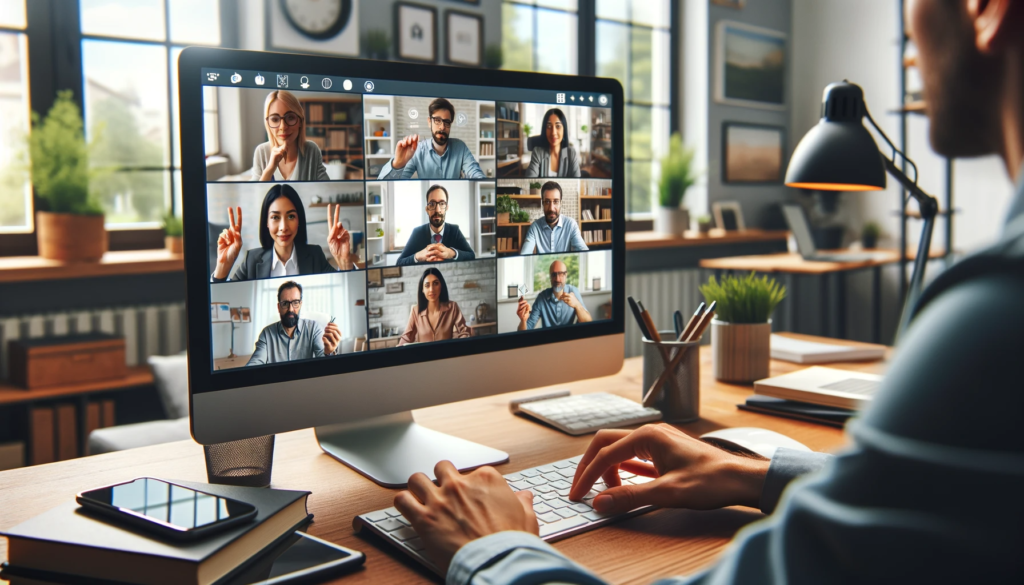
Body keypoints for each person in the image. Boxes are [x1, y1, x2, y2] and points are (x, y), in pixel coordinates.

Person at [393, 1, 1024, 582]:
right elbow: (946, 496)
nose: (910, 38)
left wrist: (495, 547)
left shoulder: (995, 318)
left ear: (987, 10)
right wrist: (757, 473)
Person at [211, 184, 352, 282]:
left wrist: (345, 262)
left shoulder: (315, 255)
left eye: (291, 216)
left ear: (299, 220)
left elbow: (345, 292)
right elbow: (221, 302)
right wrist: (223, 266)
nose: (283, 227)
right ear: (266, 222)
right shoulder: (251, 260)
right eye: (275, 217)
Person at [377, 98, 486, 180]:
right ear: (429, 122)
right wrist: (397, 165)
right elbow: (387, 184)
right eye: (437, 120)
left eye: (447, 122)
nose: (442, 127)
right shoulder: (417, 150)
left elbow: (475, 173)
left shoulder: (460, 147)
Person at [246, 281, 340, 365]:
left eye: (295, 302)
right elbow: (255, 362)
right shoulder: (267, 334)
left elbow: (324, 362)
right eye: (285, 303)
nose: (290, 309)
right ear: (279, 307)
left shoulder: (314, 328)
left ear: (300, 305)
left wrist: (329, 353)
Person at [252, 90, 329, 181]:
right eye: (275, 119)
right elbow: (256, 193)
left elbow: (327, 189)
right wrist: (270, 168)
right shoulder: (261, 152)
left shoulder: (311, 150)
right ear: (268, 124)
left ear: (300, 121)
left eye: (290, 118)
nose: (283, 127)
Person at [395, 184, 476, 266]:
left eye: (442, 203)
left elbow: (471, 255)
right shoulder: (417, 232)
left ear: (446, 208)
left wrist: (451, 253)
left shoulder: (454, 230)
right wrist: (418, 256)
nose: (437, 210)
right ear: (427, 209)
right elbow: (399, 262)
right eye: (432, 204)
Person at [398, 268, 470, 345]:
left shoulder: (452, 307)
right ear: (422, 289)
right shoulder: (415, 311)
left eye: (435, 283)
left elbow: (465, 332)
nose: (431, 289)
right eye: (427, 285)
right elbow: (406, 338)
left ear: (441, 286)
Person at [516, 260, 592, 331]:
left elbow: (588, 322)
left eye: (561, 274)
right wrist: (523, 320)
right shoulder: (541, 297)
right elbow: (525, 331)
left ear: (566, 275)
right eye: (554, 275)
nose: (557, 279)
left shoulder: (573, 291)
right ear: (550, 277)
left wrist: (577, 305)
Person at [520, 181, 589, 254]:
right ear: (542, 203)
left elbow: (584, 252)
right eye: (547, 202)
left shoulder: (571, 225)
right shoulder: (535, 227)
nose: (551, 208)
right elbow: (524, 255)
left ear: (560, 203)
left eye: (556, 201)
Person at [525, 108, 581, 178]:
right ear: (544, 130)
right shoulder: (538, 152)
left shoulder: (571, 153)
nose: (553, 132)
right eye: (549, 126)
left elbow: (577, 182)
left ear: (564, 130)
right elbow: (530, 181)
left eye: (558, 126)